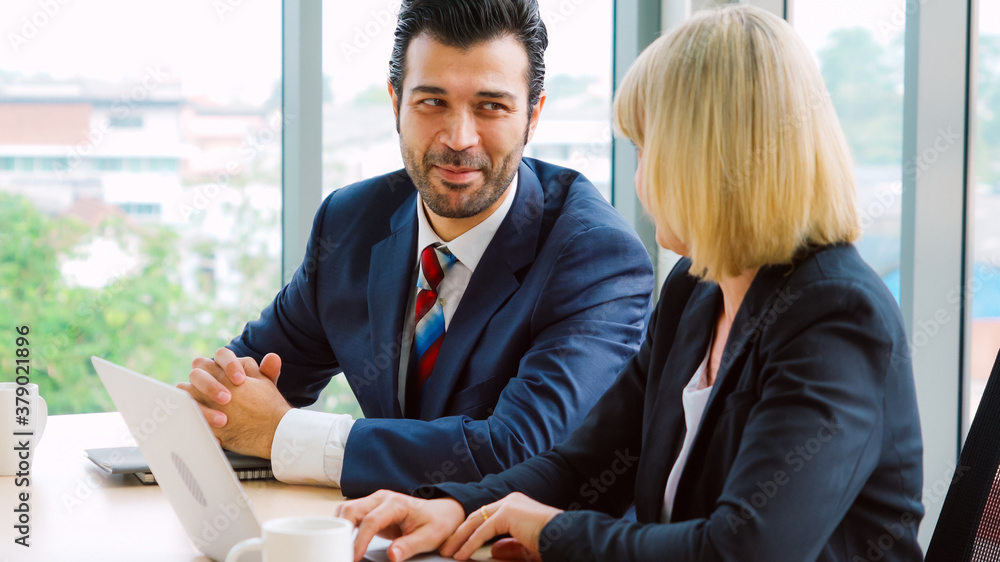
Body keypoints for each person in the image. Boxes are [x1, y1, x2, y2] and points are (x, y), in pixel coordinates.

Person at [336, 6, 925, 562]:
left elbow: (744, 550)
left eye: (648, 149)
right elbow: (583, 464)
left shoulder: (836, 316)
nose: (640, 181)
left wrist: (553, 531)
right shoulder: (696, 293)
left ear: (709, 159)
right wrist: (454, 506)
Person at [177, 0, 654, 499]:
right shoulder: (349, 222)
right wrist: (223, 395)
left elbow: (517, 452)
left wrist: (283, 434)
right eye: (432, 101)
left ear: (533, 114)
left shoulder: (596, 258)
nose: (458, 138)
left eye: (491, 106)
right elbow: (245, 384)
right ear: (395, 103)